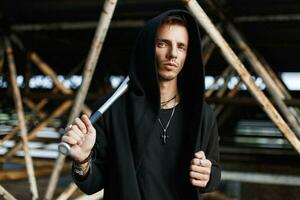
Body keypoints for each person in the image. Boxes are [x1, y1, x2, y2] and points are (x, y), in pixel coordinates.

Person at [62, 9, 221, 200]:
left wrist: (207, 176)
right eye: (162, 44)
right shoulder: (112, 108)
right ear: (147, 47)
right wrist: (82, 160)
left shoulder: (202, 113)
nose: (172, 54)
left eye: (181, 47)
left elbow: (214, 170)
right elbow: (93, 183)